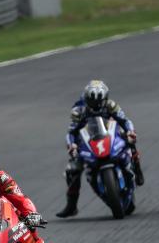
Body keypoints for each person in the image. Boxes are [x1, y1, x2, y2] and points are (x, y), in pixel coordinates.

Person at [56, 80, 144, 218]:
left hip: (110, 136)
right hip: (88, 142)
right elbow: (71, 132)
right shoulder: (78, 111)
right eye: (92, 102)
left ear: (105, 99)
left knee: (130, 141)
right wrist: (72, 145)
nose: (95, 105)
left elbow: (125, 121)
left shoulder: (111, 105)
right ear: (86, 99)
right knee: (71, 171)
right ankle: (71, 206)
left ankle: (137, 170)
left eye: (99, 102)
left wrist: (130, 131)